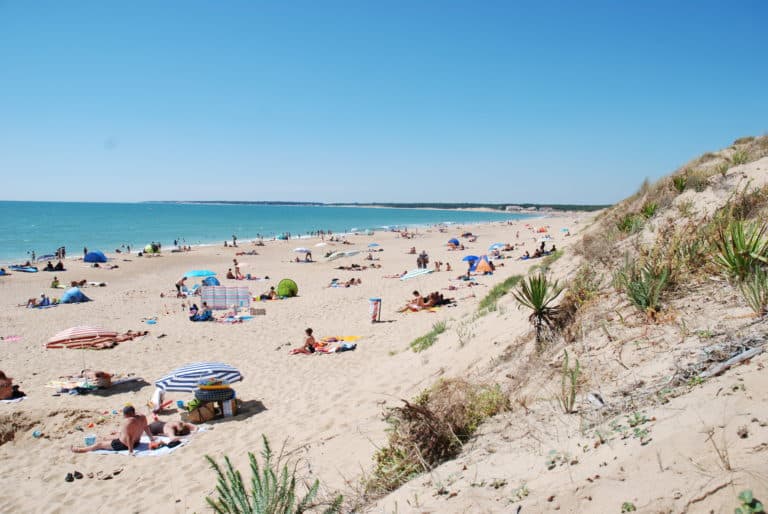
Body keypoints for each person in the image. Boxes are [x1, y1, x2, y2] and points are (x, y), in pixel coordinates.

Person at [71, 405, 154, 455]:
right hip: (137, 442)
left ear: (126, 414)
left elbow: (129, 437)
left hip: (124, 445)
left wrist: (130, 452)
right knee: (107, 437)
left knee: (99, 444)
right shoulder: (142, 417)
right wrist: (151, 439)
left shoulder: (128, 422)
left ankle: (80, 450)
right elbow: (146, 427)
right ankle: (108, 438)